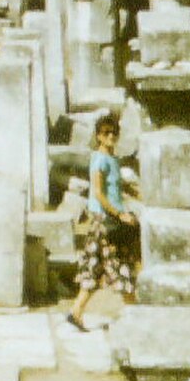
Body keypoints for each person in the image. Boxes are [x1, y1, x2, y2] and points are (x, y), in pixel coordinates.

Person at [67, 114, 139, 330]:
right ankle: (134, 316)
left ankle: (76, 311)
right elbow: (98, 193)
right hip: (105, 221)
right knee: (119, 265)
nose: (111, 136)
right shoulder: (99, 159)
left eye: (114, 132)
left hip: (111, 220)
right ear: (98, 136)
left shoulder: (113, 159)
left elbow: (115, 188)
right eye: (106, 133)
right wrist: (119, 214)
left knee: (95, 267)